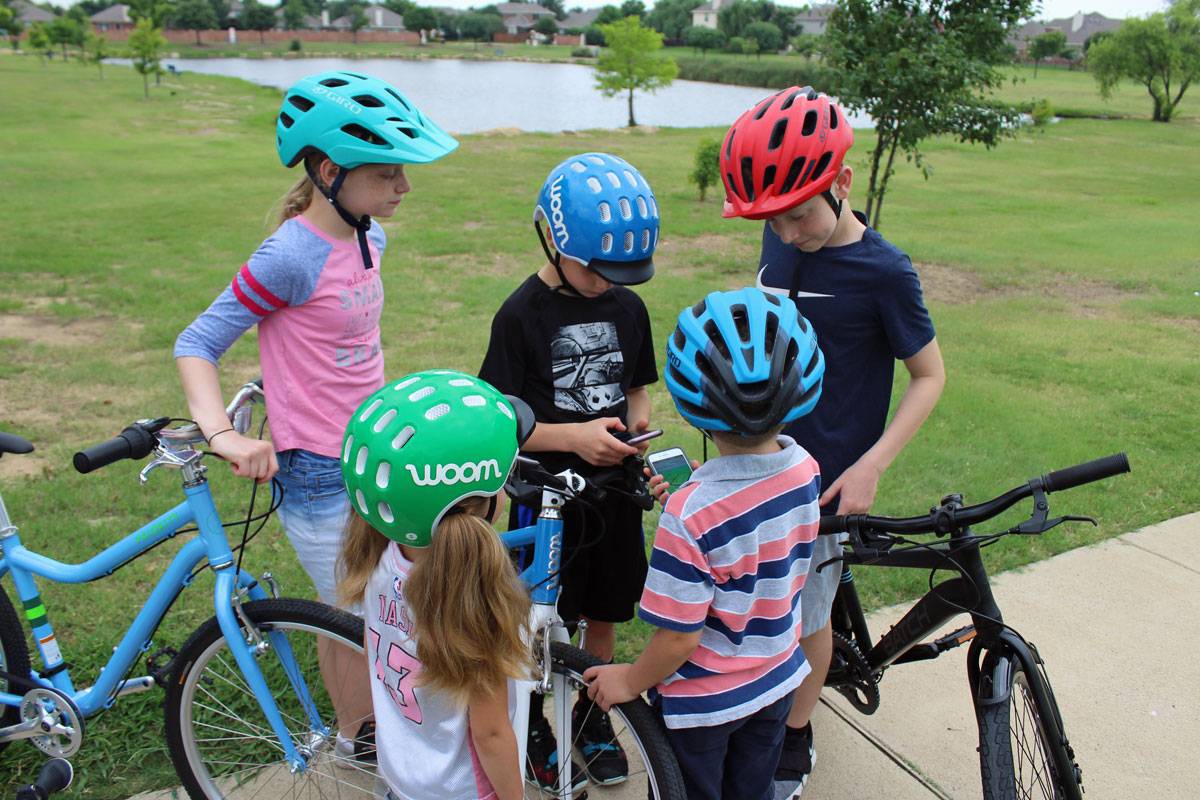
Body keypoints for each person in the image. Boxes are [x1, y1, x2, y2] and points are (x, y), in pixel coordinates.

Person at [173, 70, 459, 757]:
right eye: (388, 172)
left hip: (378, 456)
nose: (404, 187)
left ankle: (376, 734)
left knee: (381, 609)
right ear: (331, 170)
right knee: (353, 618)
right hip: (319, 472)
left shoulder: (369, 236)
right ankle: (359, 743)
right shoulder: (291, 254)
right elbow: (197, 343)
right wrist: (223, 437)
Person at [720, 86, 946, 798]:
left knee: (806, 618)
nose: (787, 235)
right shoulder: (779, 235)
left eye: (800, 216)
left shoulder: (885, 272)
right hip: (753, 458)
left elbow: (929, 376)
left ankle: (794, 731)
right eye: (772, 222)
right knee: (744, 600)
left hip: (822, 481)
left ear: (843, 184)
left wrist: (873, 464)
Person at [584, 287, 827, 800]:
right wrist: (704, 488)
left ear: (696, 406)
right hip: (776, 680)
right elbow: (759, 524)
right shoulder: (805, 468)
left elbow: (679, 638)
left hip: (704, 707)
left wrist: (629, 680)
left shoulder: (690, 514)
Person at [478, 152, 660, 789]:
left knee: (604, 612)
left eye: (622, 272)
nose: (609, 281)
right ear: (552, 239)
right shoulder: (519, 317)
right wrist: (574, 439)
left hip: (612, 496)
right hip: (546, 498)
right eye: (597, 268)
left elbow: (637, 389)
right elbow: (501, 423)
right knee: (537, 622)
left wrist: (638, 435)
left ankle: (591, 716)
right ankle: (531, 722)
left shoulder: (627, 308)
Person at [337, 370, 533, 800]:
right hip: (463, 789)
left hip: (400, 779)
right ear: (485, 500)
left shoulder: (378, 557)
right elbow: (492, 733)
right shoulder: (472, 601)